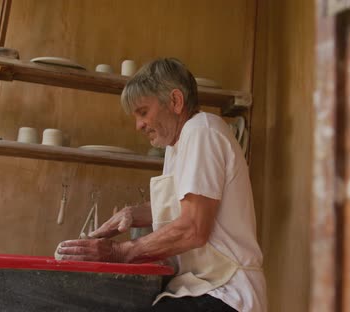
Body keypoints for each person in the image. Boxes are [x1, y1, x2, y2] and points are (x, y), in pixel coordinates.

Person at [56, 58, 267, 312]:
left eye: (143, 112)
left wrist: (121, 251)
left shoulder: (202, 132)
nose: (139, 125)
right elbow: (181, 204)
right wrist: (131, 214)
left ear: (175, 102)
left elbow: (193, 228)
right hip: (200, 286)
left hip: (228, 291)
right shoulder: (176, 145)